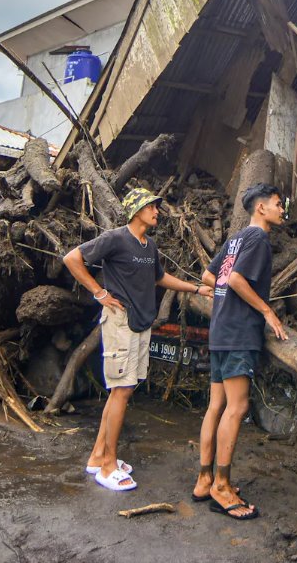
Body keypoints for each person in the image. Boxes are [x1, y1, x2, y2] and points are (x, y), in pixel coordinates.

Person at [63, 186, 213, 492]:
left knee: (123, 390)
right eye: (151, 207)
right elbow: (72, 258)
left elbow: (160, 278)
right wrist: (99, 292)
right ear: (136, 211)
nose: (156, 211)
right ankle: (108, 467)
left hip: (141, 324)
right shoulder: (115, 238)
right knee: (120, 390)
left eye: (156, 207)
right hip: (120, 322)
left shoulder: (149, 245)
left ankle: (98, 456)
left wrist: (196, 288)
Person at [192, 182, 289, 520]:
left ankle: (205, 479)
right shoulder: (258, 239)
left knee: (216, 406)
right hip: (239, 333)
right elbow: (234, 280)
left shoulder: (235, 239)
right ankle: (222, 485)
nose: (282, 210)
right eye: (278, 204)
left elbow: (209, 276)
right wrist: (266, 311)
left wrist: (225, 298)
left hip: (220, 330)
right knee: (237, 407)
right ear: (261, 208)